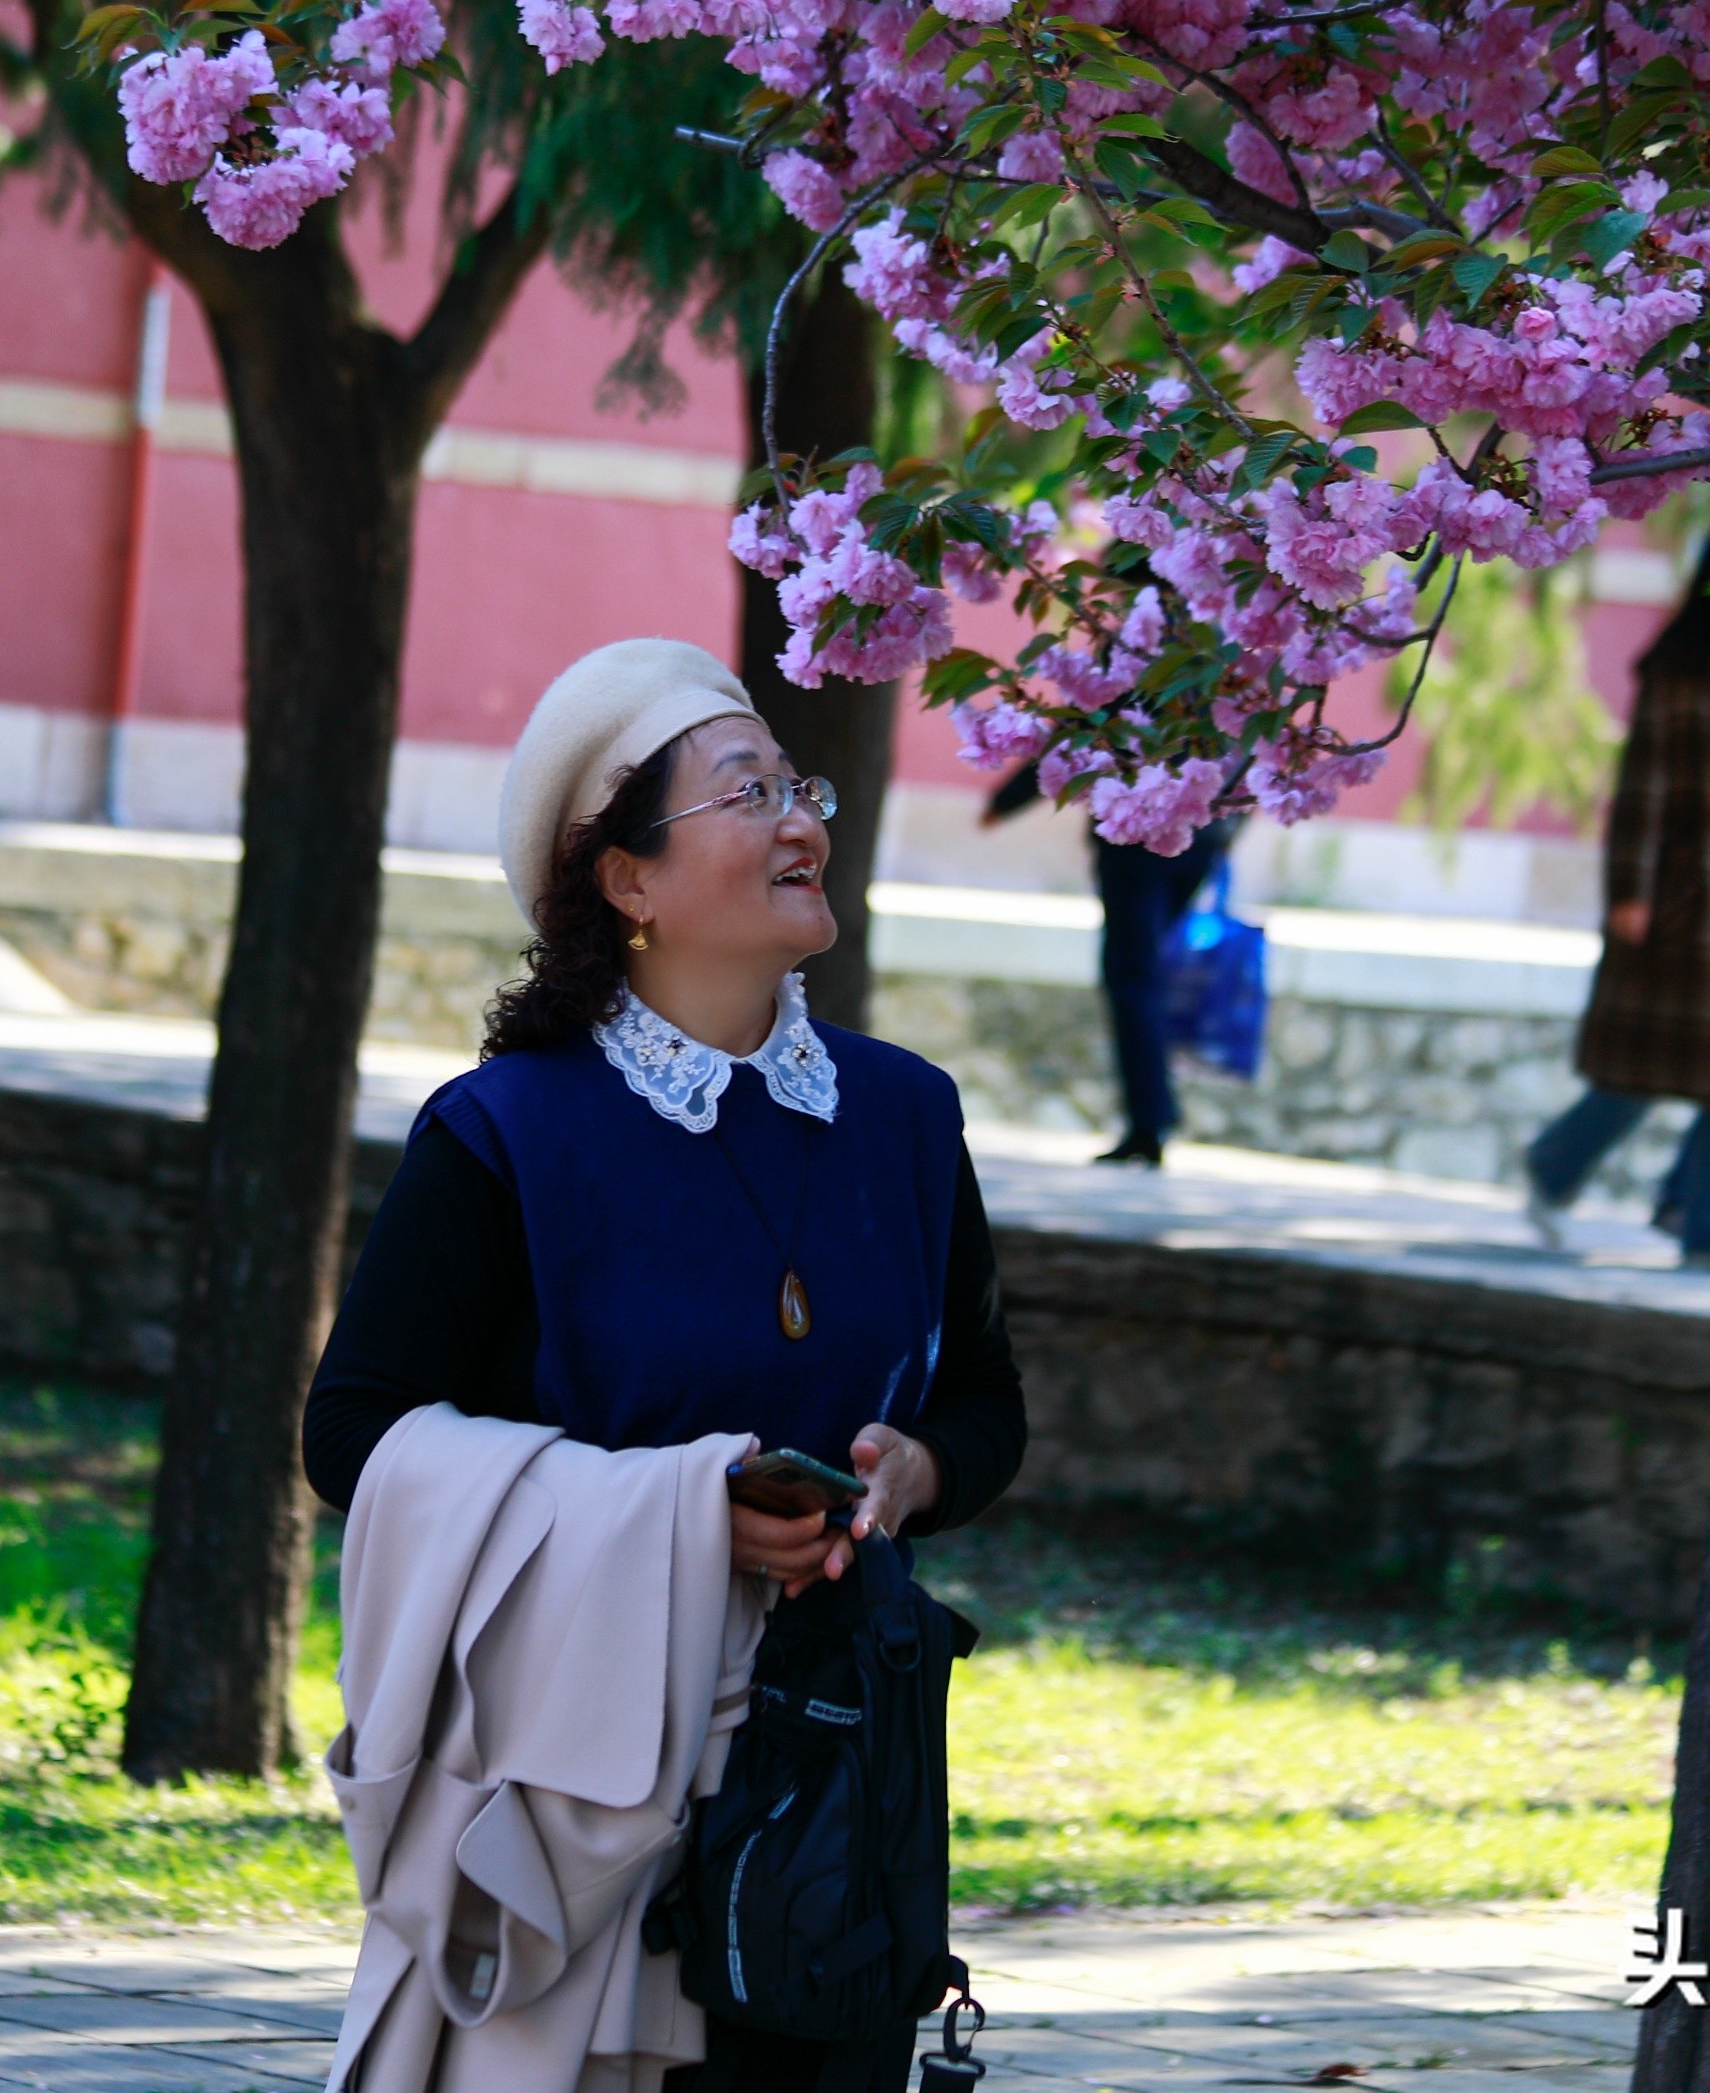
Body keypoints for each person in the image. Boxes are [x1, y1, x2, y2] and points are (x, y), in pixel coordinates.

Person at [309, 637, 1029, 2093]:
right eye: (746, 788)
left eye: (798, 782)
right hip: (583, 1762)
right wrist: (683, 1507)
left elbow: (986, 1404)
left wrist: (919, 1465)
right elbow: (354, 1432)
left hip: (837, 1760)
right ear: (625, 877)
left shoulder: (903, 1115)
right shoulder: (505, 1131)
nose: (800, 818)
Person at [1524, 520, 1710, 1270]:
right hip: (1687, 890)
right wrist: (1629, 888)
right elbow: (1640, 787)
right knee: (1647, 1063)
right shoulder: (1679, 667)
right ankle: (1554, 1165)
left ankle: (1701, 1227)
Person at [984, 765, 1237, 1167]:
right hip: (1198, 838)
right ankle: (1153, 1114)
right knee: (1141, 977)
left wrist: (1003, 802)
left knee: (1134, 980)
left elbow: (1073, 740)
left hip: (1137, 843)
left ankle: (1149, 1122)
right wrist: (1228, 824)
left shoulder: (1129, 700)